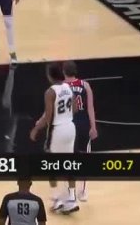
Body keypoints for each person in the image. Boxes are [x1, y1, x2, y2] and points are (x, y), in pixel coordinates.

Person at [29, 64, 79, 215]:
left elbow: (49, 116)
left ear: (50, 76)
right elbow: (75, 108)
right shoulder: (68, 88)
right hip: (70, 127)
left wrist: (36, 128)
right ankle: (71, 198)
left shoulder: (50, 92)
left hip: (58, 130)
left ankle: (58, 199)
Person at [61, 61, 97, 202]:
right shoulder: (85, 85)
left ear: (64, 72)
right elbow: (90, 108)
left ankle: (71, 192)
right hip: (83, 125)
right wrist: (93, 127)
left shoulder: (61, 87)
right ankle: (83, 191)